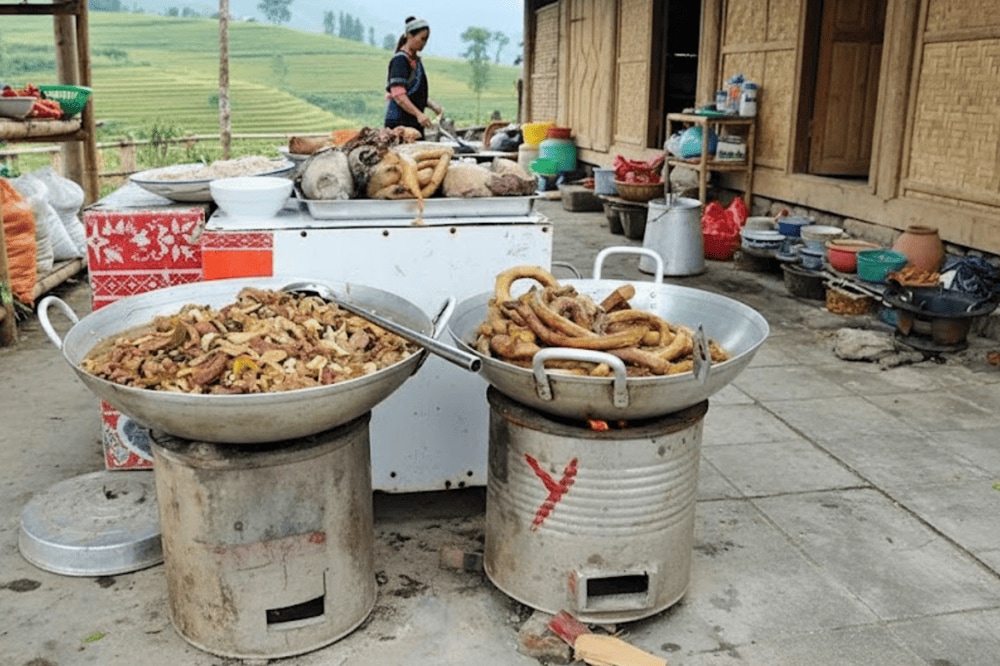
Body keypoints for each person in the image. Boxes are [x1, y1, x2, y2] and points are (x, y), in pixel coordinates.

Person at [384, 16, 444, 137]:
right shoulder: (400, 61)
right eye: (422, 39)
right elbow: (399, 95)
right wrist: (418, 114)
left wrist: (433, 106)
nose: (424, 43)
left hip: (413, 123)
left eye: (426, 40)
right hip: (399, 124)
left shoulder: (416, 61)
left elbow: (414, 94)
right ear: (410, 36)